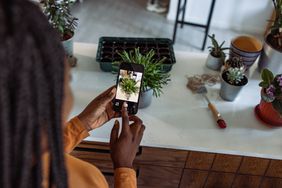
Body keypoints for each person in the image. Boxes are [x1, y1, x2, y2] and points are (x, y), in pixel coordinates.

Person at [0, 0, 145, 188]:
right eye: (67, 80)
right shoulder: (83, 179)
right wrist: (124, 167)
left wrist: (81, 125)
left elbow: (32, 154)